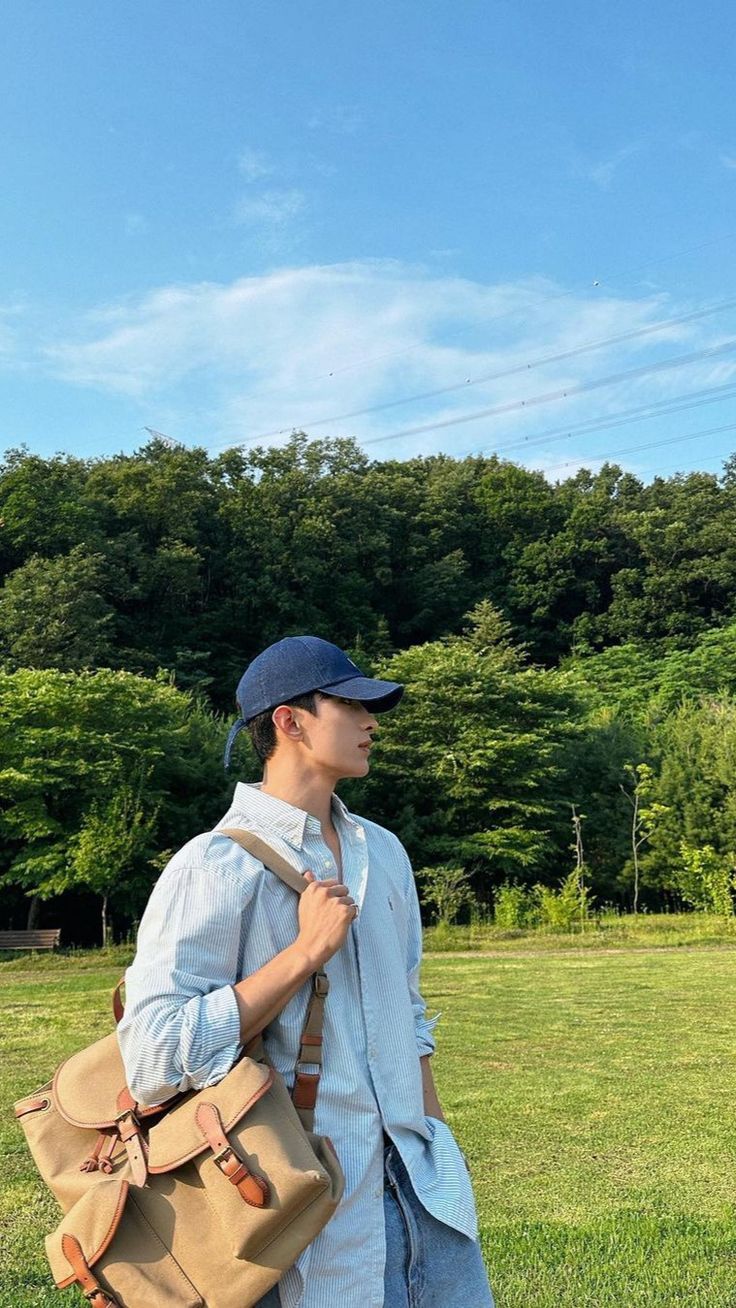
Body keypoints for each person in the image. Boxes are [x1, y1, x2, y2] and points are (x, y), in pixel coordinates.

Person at [118, 635, 494, 1308]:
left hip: (422, 1186)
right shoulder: (212, 867)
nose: (371, 721)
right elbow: (154, 1056)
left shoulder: (385, 852)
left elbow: (406, 1008)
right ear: (290, 722)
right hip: (306, 1199)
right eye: (350, 705)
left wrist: (440, 1144)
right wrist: (303, 955)